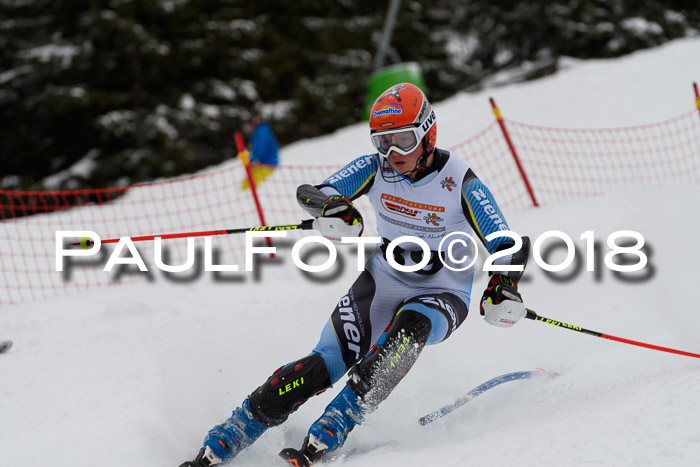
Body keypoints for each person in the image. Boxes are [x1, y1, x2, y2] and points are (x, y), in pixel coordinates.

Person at [180, 83, 530, 467]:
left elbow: (507, 243)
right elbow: (313, 193)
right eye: (383, 142)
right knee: (324, 363)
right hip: (383, 279)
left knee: (409, 329)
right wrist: (334, 209)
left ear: (428, 133)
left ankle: (337, 421)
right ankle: (231, 434)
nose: (392, 153)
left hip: (443, 289)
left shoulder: (460, 180)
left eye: (403, 140)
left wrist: (502, 285)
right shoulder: (373, 167)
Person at [240, 115, 279, 189]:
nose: (245, 130)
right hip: (262, 162)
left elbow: (261, 149)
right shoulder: (257, 132)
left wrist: (252, 160)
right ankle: (245, 193)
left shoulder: (260, 132)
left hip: (268, 163)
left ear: (251, 124)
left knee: (251, 182)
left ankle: (247, 194)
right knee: (249, 180)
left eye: (245, 127)